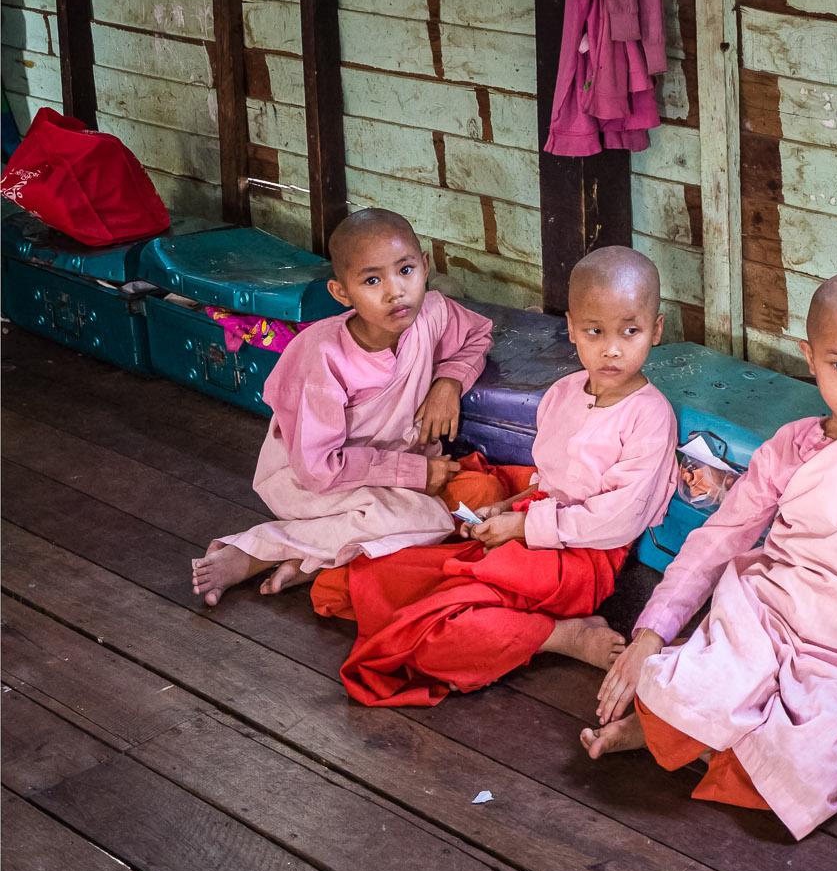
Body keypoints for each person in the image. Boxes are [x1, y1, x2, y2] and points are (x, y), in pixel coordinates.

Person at [582, 271, 837, 841]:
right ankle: (688, 730)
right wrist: (651, 634)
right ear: (809, 357)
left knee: (801, 770)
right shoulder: (791, 446)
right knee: (671, 692)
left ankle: (708, 741)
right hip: (765, 615)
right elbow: (723, 535)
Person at [330, 245, 679, 705]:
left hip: (585, 558)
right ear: (572, 328)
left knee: (440, 628)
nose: (611, 349)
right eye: (594, 331)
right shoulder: (562, 393)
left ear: (655, 331)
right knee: (378, 578)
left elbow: (618, 521)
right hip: (537, 526)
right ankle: (498, 621)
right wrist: (509, 508)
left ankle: (560, 636)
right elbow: (549, 481)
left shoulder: (650, 416)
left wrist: (525, 526)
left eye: (630, 331)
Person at [190, 209, 493, 605]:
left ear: (425, 266)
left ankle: (310, 559)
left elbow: (478, 334)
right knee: (430, 519)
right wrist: (414, 471)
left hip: (380, 472)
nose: (395, 291)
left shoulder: (432, 314)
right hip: (307, 481)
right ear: (342, 293)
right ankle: (253, 551)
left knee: (470, 505)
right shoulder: (324, 358)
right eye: (372, 280)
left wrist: (448, 382)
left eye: (405, 270)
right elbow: (318, 469)